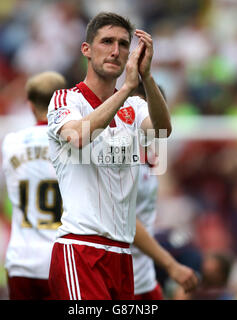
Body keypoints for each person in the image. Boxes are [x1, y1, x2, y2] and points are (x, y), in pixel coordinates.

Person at [47, 12, 173, 300]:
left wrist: (147, 77)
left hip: (122, 253)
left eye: (123, 44)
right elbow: (78, 136)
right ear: (86, 50)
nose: (116, 51)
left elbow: (163, 131)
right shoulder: (66, 99)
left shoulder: (135, 106)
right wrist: (128, 87)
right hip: (81, 249)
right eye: (106, 42)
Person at [2, 71, 66, 300]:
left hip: (21, 259)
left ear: (30, 104)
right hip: (60, 261)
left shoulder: (11, 143)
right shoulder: (75, 144)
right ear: (64, 101)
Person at [131, 83, 198, 299]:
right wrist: (171, 266)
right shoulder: (118, 156)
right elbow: (125, 220)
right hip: (118, 271)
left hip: (141, 271)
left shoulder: (149, 156)